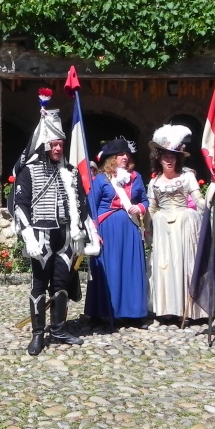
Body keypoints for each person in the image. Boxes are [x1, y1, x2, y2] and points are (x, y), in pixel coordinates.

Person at [12, 96, 99, 356]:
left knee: (61, 283)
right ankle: (38, 333)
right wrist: (28, 236)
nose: (58, 148)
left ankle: (59, 329)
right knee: (39, 285)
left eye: (61, 143)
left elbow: (82, 205)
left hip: (65, 236)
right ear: (46, 144)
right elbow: (20, 205)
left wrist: (88, 233)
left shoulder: (71, 172)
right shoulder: (29, 171)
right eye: (54, 143)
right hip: (40, 235)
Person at [85, 137, 149, 327]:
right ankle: (100, 311)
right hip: (107, 232)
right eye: (121, 154)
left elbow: (145, 200)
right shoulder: (101, 180)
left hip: (130, 230)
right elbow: (91, 208)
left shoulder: (136, 177)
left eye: (126, 154)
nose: (125, 157)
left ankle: (133, 313)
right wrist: (93, 233)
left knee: (131, 269)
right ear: (111, 158)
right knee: (108, 270)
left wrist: (140, 208)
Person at [146, 124, 205, 324]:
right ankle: (167, 308)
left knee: (183, 265)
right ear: (159, 159)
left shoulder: (187, 177)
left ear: (178, 158)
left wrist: (211, 204)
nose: (169, 160)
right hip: (163, 229)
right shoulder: (154, 183)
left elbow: (198, 201)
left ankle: (185, 309)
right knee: (165, 267)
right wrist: (148, 230)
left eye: (172, 157)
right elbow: (151, 209)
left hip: (184, 226)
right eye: (165, 157)